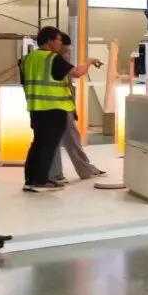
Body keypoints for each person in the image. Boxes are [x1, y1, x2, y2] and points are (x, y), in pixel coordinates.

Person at [20, 27, 101, 192]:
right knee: (48, 146)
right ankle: (40, 181)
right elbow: (77, 73)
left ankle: (30, 179)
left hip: (35, 108)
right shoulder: (52, 58)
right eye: (58, 40)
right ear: (50, 41)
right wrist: (89, 61)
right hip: (53, 109)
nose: (60, 43)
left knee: (37, 144)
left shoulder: (27, 59)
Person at [48, 33, 107, 185]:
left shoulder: (46, 60)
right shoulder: (55, 59)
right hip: (59, 107)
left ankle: (60, 173)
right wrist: (89, 61)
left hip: (53, 107)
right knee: (69, 140)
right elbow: (78, 73)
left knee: (61, 141)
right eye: (66, 49)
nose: (67, 53)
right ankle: (77, 171)